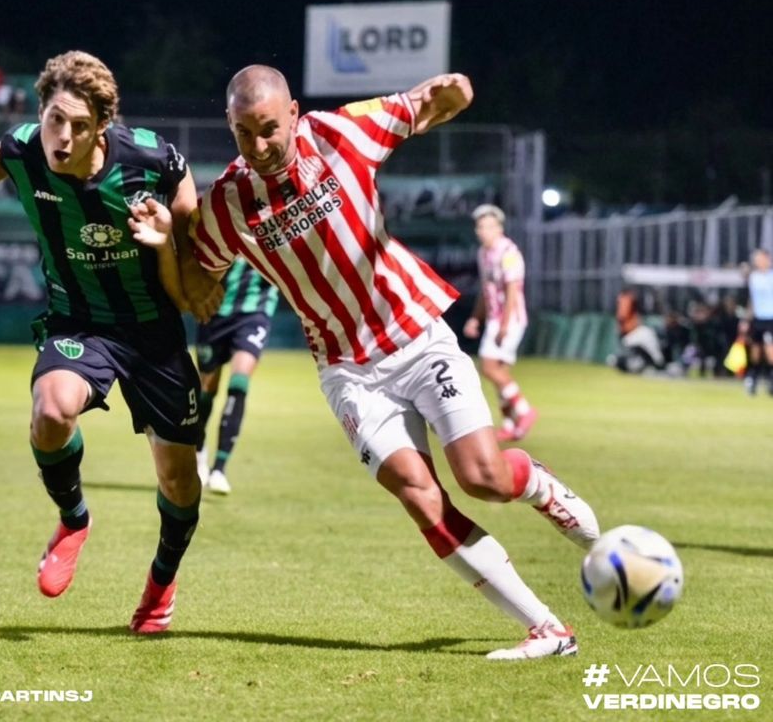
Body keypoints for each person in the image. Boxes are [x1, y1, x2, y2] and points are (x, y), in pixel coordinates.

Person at [186, 65, 600, 660]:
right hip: (347, 371)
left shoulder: (338, 133)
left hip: (416, 335)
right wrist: (165, 246)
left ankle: (547, 494)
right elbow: (197, 269)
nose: (260, 145)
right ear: (230, 127)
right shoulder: (226, 203)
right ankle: (546, 628)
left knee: (482, 477)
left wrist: (453, 92)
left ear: (295, 114)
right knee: (418, 493)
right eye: (244, 133)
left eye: (270, 129)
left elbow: (423, 107)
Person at [0, 50, 204, 633]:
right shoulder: (27, 147)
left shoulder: (153, 159)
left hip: (154, 333)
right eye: (56, 119)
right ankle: (73, 520)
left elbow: (191, 234)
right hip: (77, 322)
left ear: (103, 126)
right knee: (52, 411)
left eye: (80, 126)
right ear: (42, 112)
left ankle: (160, 584)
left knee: (179, 479)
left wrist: (173, 243)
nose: (63, 136)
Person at [194, 257, 279, 494]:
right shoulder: (215, 222)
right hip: (214, 312)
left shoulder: (271, 226)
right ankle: (199, 455)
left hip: (254, 312)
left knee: (239, 383)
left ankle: (219, 469)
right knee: (205, 391)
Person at [463, 204, 538, 441]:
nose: (483, 231)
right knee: (500, 373)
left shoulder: (508, 253)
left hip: (509, 319)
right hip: (495, 318)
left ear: (499, 228)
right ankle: (508, 424)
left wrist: (504, 325)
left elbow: (513, 290)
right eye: (480, 226)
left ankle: (524, 411)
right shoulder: (484, 254)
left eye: (488, 226)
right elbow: (486, 291)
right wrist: (476, 318)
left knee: (488, 367)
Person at [610, 288, 665, 374]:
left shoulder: (627, 299)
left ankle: (656, 365)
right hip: (631, 332)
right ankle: (656, 365)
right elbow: (622, 315)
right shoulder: (626, 298)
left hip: (634, 332)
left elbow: (622, 316)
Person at [742, 248, 773, 396]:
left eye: (760, 258)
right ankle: (752, 378)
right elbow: (751, 301)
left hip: (771, 319)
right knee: (755, 351)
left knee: (770, 350)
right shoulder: (753, 277)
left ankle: (771, 379)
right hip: (757, 319)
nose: (758, 261)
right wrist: (746, 320)